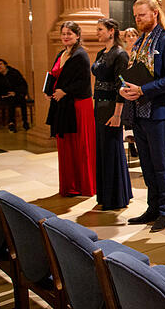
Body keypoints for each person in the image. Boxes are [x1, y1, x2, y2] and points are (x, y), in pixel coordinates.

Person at [120, 0, 165, 232]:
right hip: (138, 111)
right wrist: (125, 88)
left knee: (160, 164)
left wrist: (143, 89)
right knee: (146, 164)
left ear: (155, 13)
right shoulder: (138, 43)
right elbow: (133, 72)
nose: (138, 19)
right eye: (135, 16)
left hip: (157, 112)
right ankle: (152, 208)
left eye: (142, 15)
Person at [46, 21, 96, 197]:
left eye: (69, 34)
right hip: (63, 105)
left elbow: (83, 83)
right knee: (66, 145)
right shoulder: (61, 54)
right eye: (63, 33)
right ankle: (69, 185)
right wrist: (49, 91)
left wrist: (64, 91)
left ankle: (82, 185)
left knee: (79, 145)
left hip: (78, 105)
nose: (65, 36)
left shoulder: (81, 55)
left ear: (77, 36)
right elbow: (53, 75)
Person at [91, 18, 132, 210]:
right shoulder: (101, 53)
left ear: (112, 31)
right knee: (102, 151)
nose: (97, 33)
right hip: (99, 106)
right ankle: (105, 195)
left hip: (111, 108)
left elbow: (121, 87)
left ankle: (116, 197)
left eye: (100, 29)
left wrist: (117, 114)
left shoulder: (120, 54)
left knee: (112, 150)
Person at [0, 59, 29, 132]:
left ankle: (25, 121)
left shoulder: (14, 72)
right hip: (5, 96)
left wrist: (16, 92)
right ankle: (11, 123)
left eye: (0, 64)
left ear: (5, 65)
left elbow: (22, 84)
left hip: (16, 94)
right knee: (11, 101)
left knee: (22, 100)